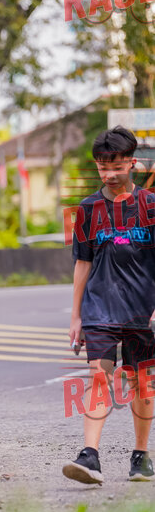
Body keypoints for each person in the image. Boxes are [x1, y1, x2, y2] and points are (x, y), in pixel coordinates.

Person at [63, 125, 155, 485]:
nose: (110, 174)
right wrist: (76, 316)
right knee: (98, 374)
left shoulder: (150, 206)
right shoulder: (88, 209)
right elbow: (82, 263)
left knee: (140, 382)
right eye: (103, 168)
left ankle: (140, 456)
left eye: (116, 167)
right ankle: (90, 455)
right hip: (99, 307)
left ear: (132, 163)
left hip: (142, 309)